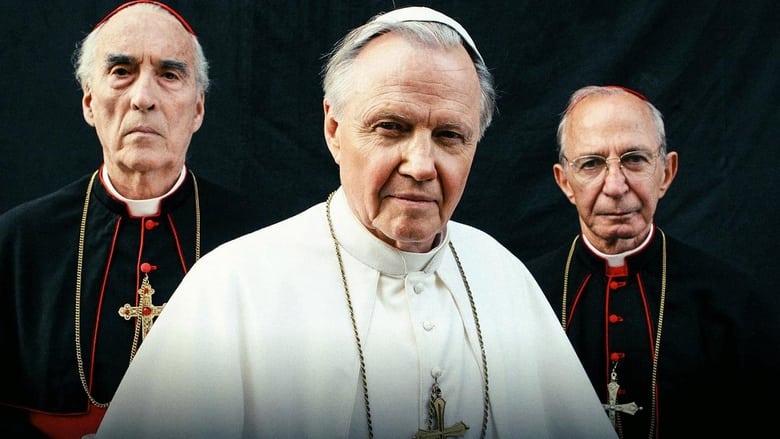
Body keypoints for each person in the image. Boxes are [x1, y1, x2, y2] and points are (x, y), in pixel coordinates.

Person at [96, 7, 617, 439]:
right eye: (392, 127)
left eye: (449, 136)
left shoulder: (503, 278)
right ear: (334, 129)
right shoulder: (233, 286)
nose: (421, 165)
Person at [0, 2, 270, 438]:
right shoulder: (17, 243)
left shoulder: (260, 243)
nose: (143, 98)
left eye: (169, 75)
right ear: (90, 101)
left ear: (198, 109)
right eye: (122, 71)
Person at [526, 85, 766, 438]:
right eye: (591, 164)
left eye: (634, 159)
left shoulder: (732, 302)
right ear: (565, 183)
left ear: (666, 173)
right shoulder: (523, 291)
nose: (615, 186)